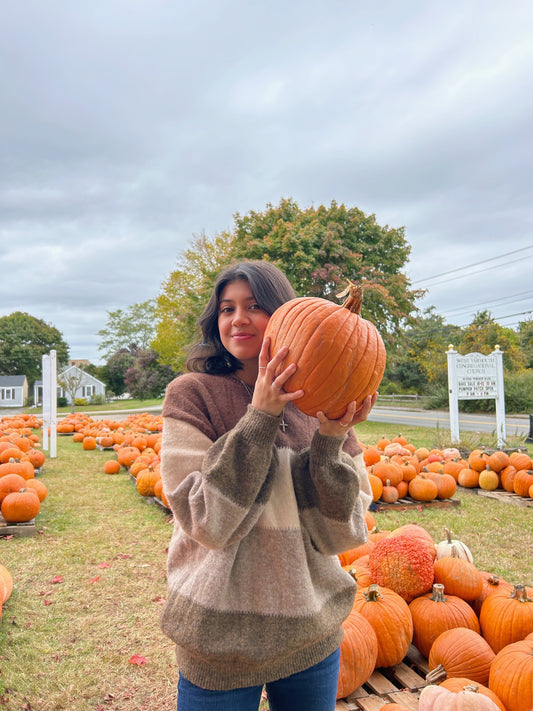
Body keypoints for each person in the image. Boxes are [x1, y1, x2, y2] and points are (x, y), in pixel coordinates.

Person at [159, 260, 375, 711]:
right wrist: (260, 416)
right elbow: (206, 521)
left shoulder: (327, 401)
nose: (237, 318)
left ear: (285, 314)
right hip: (218, 641)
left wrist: (331, 439)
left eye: (254, 306)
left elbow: (343, 532)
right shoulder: (192, 393)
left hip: (310, 636)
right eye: (226, 308)